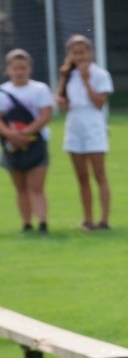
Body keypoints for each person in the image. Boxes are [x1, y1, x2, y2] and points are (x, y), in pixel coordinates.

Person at [54, 33, 113, 231]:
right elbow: (63, 105)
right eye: (75, 53)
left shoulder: (100, 75)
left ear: (90, 52)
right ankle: (88, 219)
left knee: (99, 174)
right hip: (74, 125)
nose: (79, 57)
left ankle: (104, 219)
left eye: (83, 52)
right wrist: (61, 102)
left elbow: (99, 103)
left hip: (93, 125)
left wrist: (86, 80)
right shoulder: (67, 75)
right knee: (82, 177)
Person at [1, 48, 54, 234]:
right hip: (11, 144)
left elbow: (45, 115)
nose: (19, 72)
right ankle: (26, 223)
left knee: (36, 186)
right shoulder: (3, 92)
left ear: (30, 69)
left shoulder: (40, 89)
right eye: (16, 68)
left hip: (35, 142)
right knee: (20, 186)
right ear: (8, 69)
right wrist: (11, 135)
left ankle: (42, 223)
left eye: (23, 68)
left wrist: (25, 133)